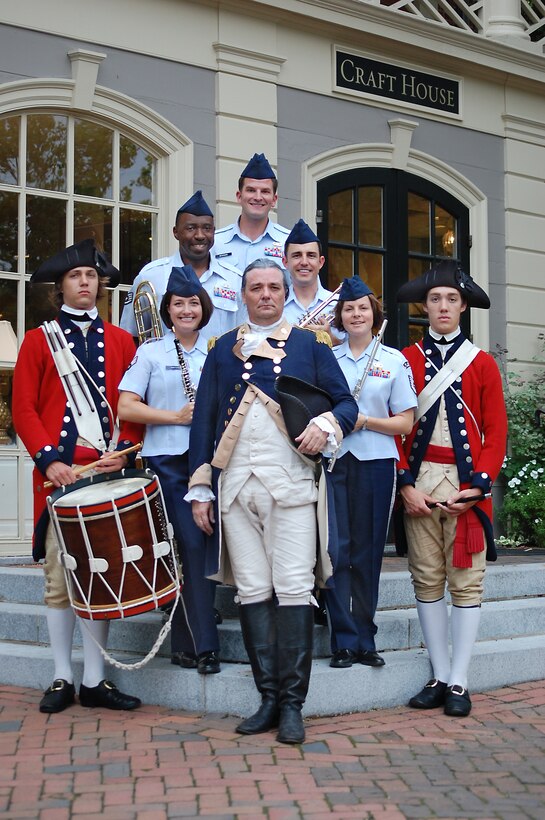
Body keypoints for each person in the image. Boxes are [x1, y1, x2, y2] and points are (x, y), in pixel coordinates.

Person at [188, 259, 358, 744]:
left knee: (292, 587)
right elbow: (204, 422)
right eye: (256, 288)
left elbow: (346, 404)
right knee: (253, 591)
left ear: (285, 293)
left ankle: (292, 705)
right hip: (236, 486)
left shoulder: (310, 344)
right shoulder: (223, 350)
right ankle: (266, 699)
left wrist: (322, 426)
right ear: (243, 295)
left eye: (273, 287)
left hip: (290, 487)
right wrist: (201, 487)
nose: (265, 294)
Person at [12, 238, 143, 714]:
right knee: (58, 579)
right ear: (61, 287)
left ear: (100, 284)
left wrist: (126, 451)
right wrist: (49, 459)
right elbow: (23, 409)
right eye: (75, 276)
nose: (85, 283)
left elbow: (131, 406)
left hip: (107, 471)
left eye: (91, 276)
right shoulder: (37, 340)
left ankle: (94, 680)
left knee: (100, 573)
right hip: (60, 477)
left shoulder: (123, 341)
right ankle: (61, 676)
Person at [396, 260, 507, 717]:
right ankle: (439, 674)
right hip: (420, 487)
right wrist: (405, 484)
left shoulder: (481, 364)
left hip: (466, 491)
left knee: (466, 582)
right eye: (436, 299)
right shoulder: (404, 360)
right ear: (424, 305)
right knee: (426, 578)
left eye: (452, 299)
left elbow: (496, 431)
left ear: (463, 307)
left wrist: (480, 487)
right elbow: (395, 429)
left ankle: (460, 681)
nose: (443, 306)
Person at [118, 265, 221, 675]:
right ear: (167, 309)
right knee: (189, 548)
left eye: (192, 303)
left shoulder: (218, 351)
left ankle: (187, 641)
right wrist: (174, 417)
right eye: (178, 303)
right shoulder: (150, 352)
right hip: (169, 461)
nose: (186, 310)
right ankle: (203, 646)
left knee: (206, 549)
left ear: (203, 307)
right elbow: (127, 405)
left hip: (209, 461)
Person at [325, 276, 417, 669]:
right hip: (332, 462)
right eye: (349, 309)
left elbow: (405, 423)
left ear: (374, 314)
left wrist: (365, 421)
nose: (356, 314)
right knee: (336, 551)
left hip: (377, 463)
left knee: (367, 553)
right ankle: (342, 639)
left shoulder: (393, 361)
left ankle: (365, 636)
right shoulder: (326, 357)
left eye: (363, 308)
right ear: (340, 317)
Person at [120, 190, 243, 343]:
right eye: (191, 228)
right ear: (176, 232)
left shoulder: (235, 279)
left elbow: (246, 335)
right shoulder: (151, 276)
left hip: (220, 367)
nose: (200, 235)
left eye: (207, 228)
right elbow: (130, 336)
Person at [213, 153, 290, 272]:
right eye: (251, 190)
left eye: (265, 191)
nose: (258, 197)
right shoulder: (216, 242)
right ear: (239, 196)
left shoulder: (288, 242)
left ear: (274, 200)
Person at [282, 219, 343, 345]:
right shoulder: (276, 306)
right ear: (285, 262)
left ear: (321, 262)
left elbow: (357, 352)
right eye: (297, 255)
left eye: (311, 255)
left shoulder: (339, 304)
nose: (304, 262)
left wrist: (330, 337)